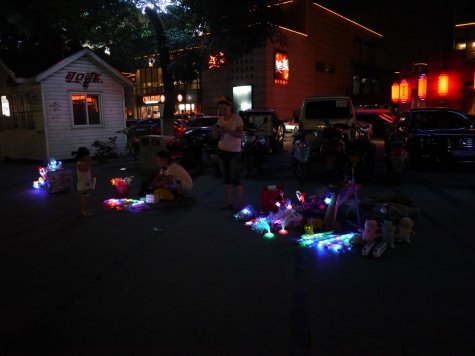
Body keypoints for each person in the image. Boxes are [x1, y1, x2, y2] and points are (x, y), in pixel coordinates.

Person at [212, 96, 244, 210]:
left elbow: (240, 135)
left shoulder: (237, 118)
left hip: (234, 152)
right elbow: (216, 137)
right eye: (220, 109)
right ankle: (228, 203)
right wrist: (215, 132)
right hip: (222, 151)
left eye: (224, 108)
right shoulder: (220, 120)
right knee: (226, 179)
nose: (222, 111)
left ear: (230, 108)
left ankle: (240, 204)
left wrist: (229, 131)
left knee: (236, 178)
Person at [72, 147, 95, 217]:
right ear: (82, 157)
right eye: (87, 156)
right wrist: (88, 162)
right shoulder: (80, 164)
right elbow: (86, 169)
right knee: (84, 198)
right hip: (82, 185)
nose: (88, 157)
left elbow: (88, 170)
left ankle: (85, 209)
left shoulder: (84, 162)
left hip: (86, 183)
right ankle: (84, 211)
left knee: (86, 198)